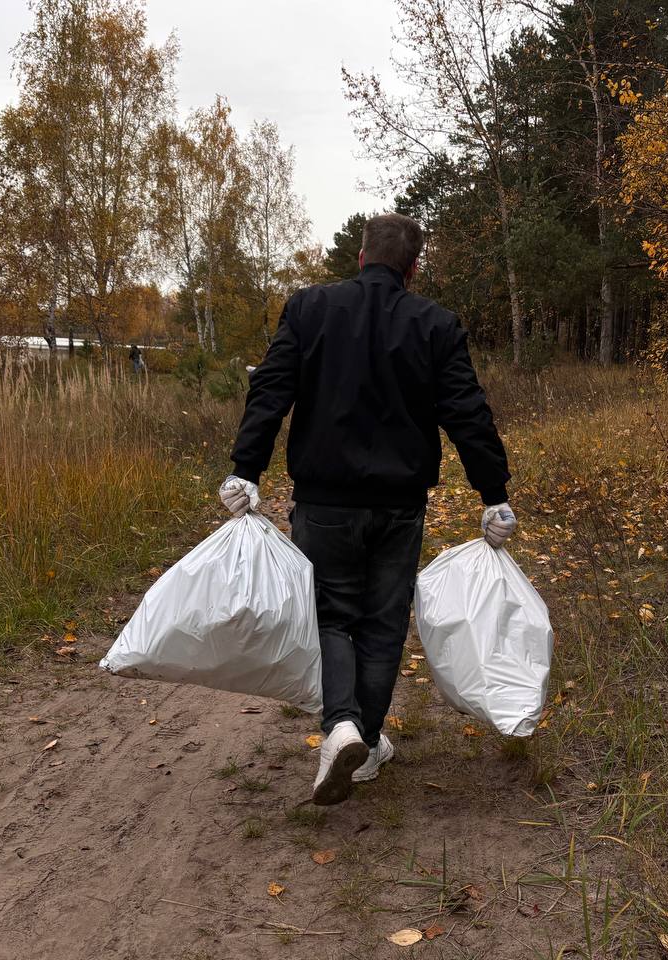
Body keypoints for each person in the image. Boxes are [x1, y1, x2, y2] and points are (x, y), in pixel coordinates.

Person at [219, 212, 516, 805]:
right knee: (382, 624)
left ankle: (343, 728)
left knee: (330, 616)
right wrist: (494, 494)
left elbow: (270, 390)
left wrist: (244, 470)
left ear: (360, 257)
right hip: (398, 506)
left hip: (324, 502)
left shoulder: (308, 309)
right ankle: (366, 742)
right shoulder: (436, 324)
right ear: (413, 267)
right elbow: (467, 412)